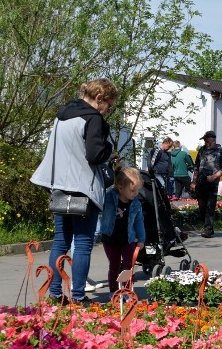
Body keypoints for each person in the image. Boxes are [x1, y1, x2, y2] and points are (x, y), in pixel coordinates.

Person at [31, 77, 118, 304]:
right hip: (82, 189)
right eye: (108, 105)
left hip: (59, 186)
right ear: (99, 98)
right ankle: (78, 297)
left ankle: (55, 295)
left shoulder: (62, 115)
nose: (108, 110)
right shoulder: (93, 119)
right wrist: (109, 149)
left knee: (60, 242)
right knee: (82, 244)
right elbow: (94, 155)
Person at [99, 167, 146, 296]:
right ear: (120, 188)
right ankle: (113, 290)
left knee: (128, 265)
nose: (135, 193)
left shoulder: (136, 204)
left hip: (128, 239)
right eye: (132, 190)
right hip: (110, 238)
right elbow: (99, 200)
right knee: (114, 265)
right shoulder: (108, 198)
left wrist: (141, 239)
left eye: (137, 190)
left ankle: (126, 290)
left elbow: (139, 222)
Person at [191, 131, 222, 238]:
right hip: (201, 182)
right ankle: (206, 225)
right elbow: (196, 166)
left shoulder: (221, 151)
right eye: (204, 140)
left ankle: (208, 229)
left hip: (212, 182)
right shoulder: (202, 150)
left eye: (206, 140)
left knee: (210, 207)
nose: (205, 142)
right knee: (202, 206)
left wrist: (215, 176)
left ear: (213, 139)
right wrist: (194, 181)